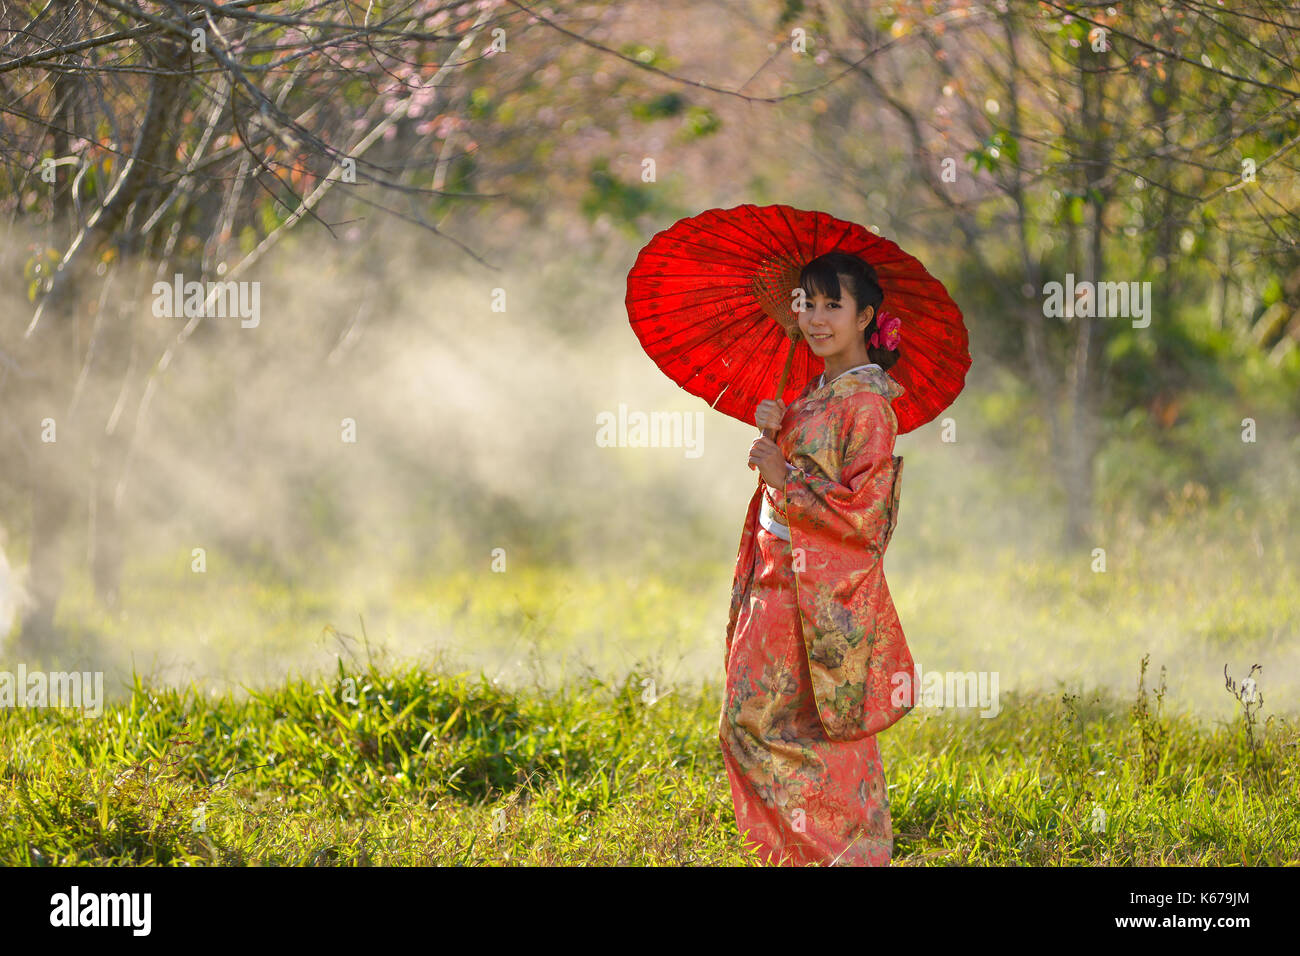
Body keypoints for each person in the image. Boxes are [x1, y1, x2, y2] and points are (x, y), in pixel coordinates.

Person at [719, 250, 918, 866]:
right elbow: (785, 487)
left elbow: (868, 520)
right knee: (772, 726)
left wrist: (786, 476)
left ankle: (843, 854)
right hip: (776, 581)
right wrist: (777, 432)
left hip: (815, 594)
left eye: (835, 303)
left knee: (779, 728)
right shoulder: (810, 397)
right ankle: (821, 855)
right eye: (808, 302)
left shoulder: (867, 407)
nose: (817, 317)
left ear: (866, 317)